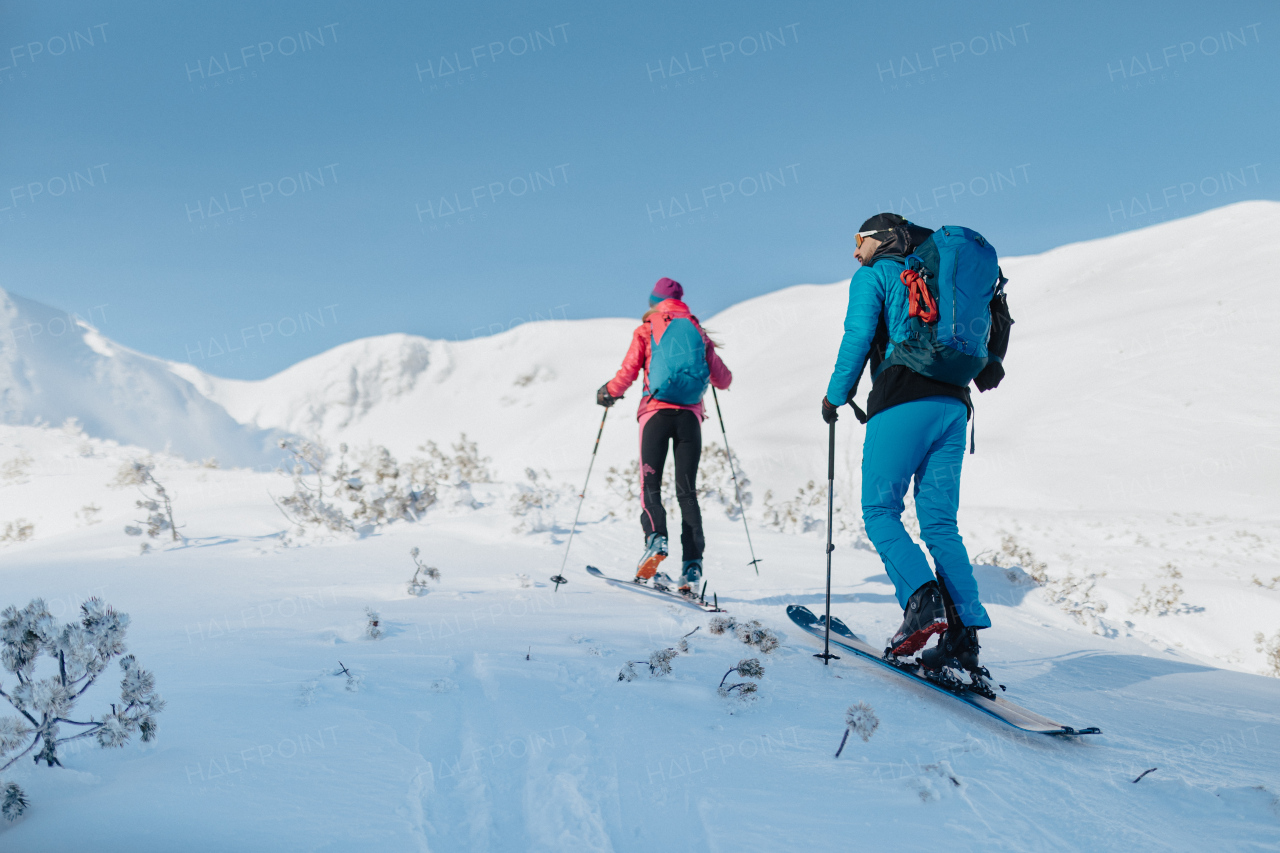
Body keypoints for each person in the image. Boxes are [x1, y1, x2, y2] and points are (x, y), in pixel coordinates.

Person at [822, 213, 991, 677]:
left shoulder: (875, 274)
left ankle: (921, 602)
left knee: (879, 510)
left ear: (881, 240)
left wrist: (836, 397)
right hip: (955, 405)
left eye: (859, 240)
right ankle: (963, 641)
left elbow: (857, 335)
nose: (855, 251)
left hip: (902, 398)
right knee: (939, 523)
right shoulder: (936, 274)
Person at [598, 277, 732, 594]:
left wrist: (608, 392)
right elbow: (723, 380)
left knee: (651, 484)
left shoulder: (647, 329)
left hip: (655, 415)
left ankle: (656, 540)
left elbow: (629, 371)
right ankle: (692, 565)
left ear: (654, 302)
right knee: (687, 491)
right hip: (689, 419)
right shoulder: (696, 331)